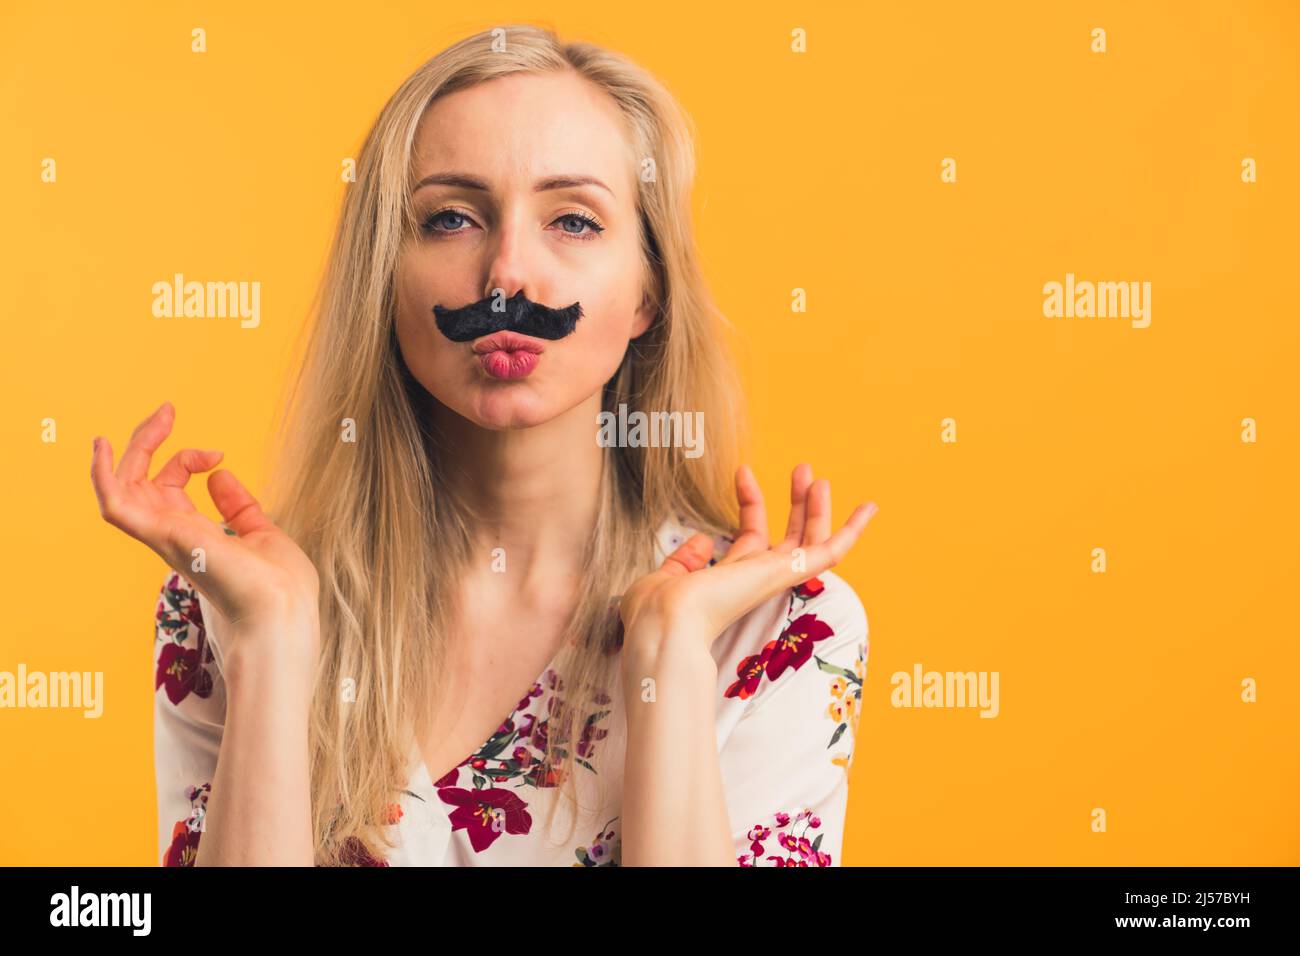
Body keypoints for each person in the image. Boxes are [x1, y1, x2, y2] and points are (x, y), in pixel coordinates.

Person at [91, 23, 877, 867]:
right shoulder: (226, 606)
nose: (507, 275)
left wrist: (668, 664)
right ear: (383, 275)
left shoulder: (777, 633)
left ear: (650, 291)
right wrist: (273, 643)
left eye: (573, 221)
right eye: (453, 218)